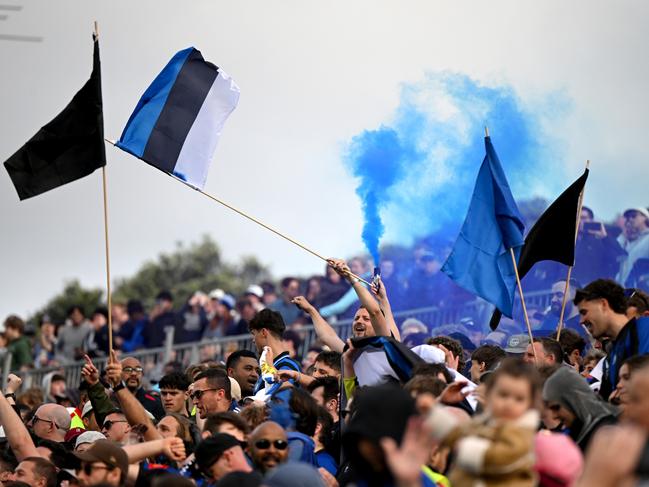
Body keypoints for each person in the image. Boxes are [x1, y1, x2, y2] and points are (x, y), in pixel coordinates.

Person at [426, 358, 541, 486]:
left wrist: (462, 447)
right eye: (503, 395)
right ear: (490, 394)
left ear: (531, 404)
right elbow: (455, 432)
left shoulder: (522, 432)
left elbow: (500, 459)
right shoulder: (484, 423)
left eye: (519, 399)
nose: (509, 404)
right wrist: (435, 408)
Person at [574, 279, 649, 398]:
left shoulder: (645, 329)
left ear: (603, 305)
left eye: (584, 312)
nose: (581, 321)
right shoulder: (611, 356)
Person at [543, 367, 617, 451]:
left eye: (556, 407)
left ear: (574, 400)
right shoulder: (578, 431)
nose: (554, 415)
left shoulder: (608, 432)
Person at [248, 309, 301, 395]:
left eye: (254, 334)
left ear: (264, 332)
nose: (253, 340)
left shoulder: (287, 366)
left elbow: (284, 400)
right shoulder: (268, 367)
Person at [573, 206, 625, 285]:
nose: (580, 221)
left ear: (591, 220)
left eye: (583, 218)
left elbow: (619, 255)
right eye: (577, 218)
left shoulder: (600, 240)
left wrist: (604, 237)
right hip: (568, 289)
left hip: (592, 288)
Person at [616, 207, 649, 287]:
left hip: (640, 290)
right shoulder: (625, 238)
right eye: (628, 217)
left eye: (634, 216)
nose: (630, 219)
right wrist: (624, 235)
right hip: (621, 288)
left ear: (645, 218)